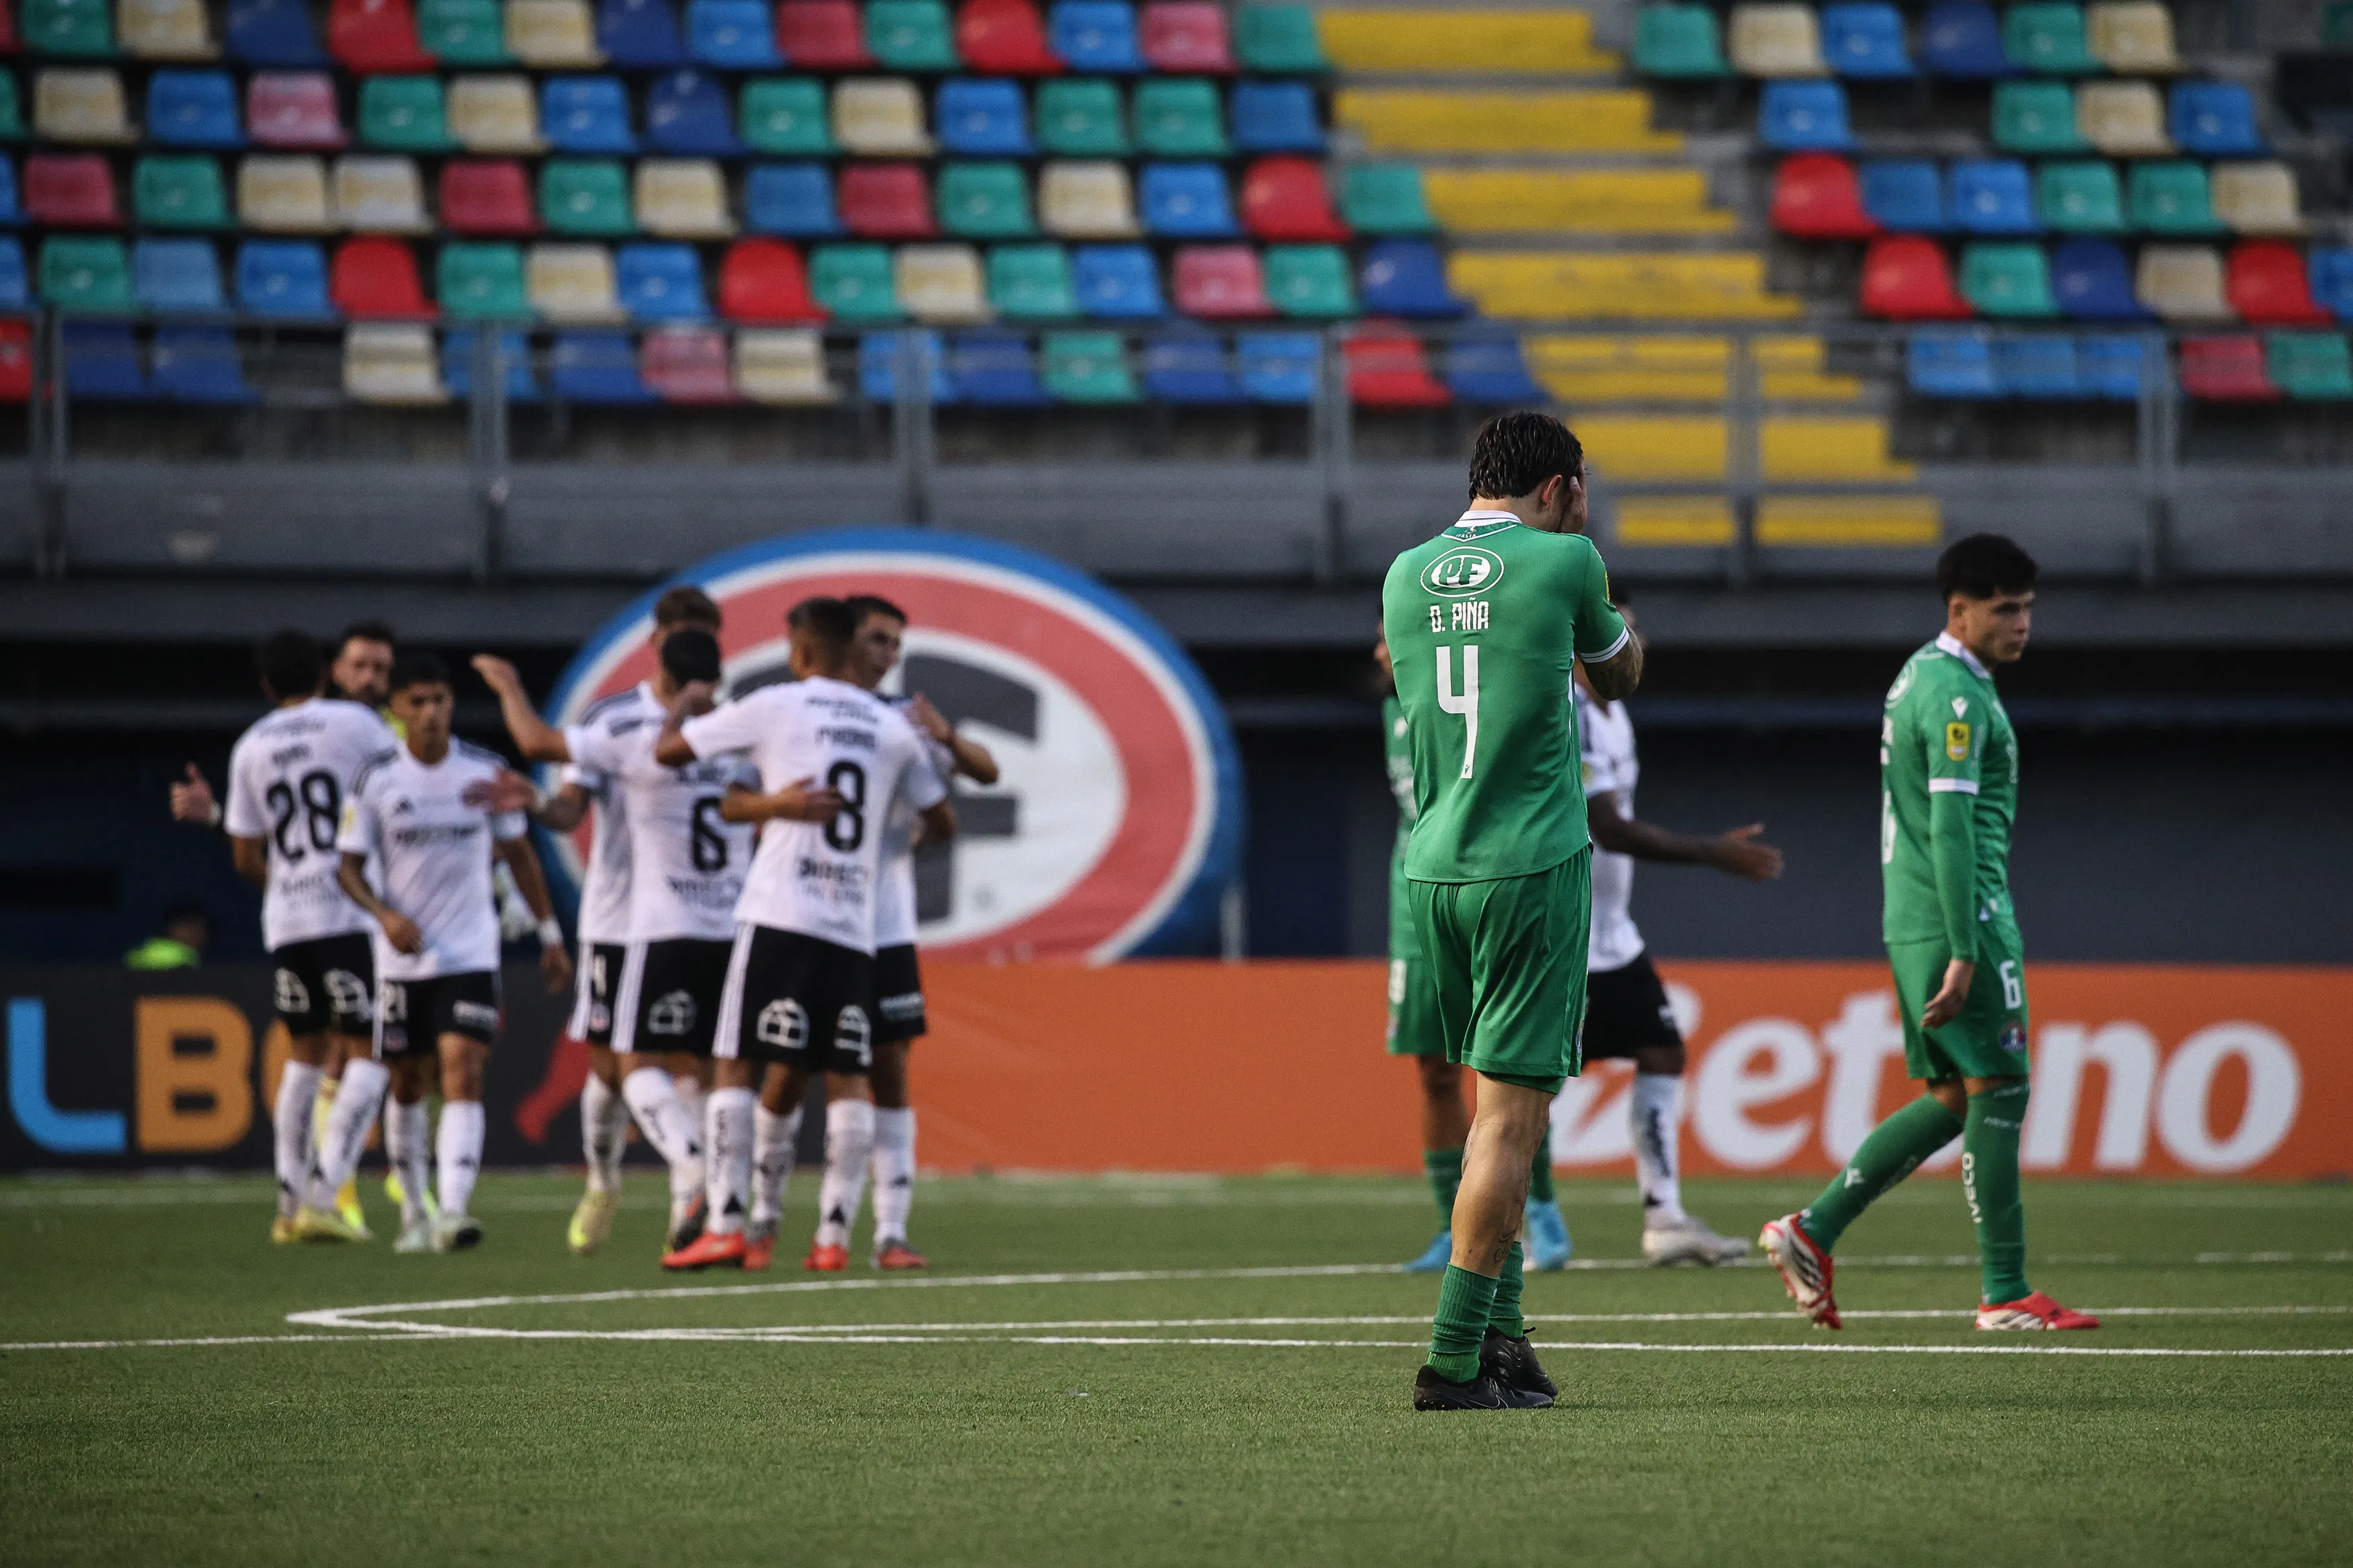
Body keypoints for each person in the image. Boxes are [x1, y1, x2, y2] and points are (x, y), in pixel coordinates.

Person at [1761, 536, 2097, 1333]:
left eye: (2025, 608)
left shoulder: (1920, 673)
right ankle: (2004, 1290)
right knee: (2002, 1085)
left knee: (1954, 1094)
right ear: (1959, 608)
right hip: (1960, 914)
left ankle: (1812, 1229)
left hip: (1912, 915)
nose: (2020, 623)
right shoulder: (1953, 695)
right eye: (2004, 609)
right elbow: (1950, 828)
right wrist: (1965, 945)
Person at [1381, 411, 1641, 1412]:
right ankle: (1452, 1363)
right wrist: (1598, 605)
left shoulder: (1405, 572)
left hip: (1433, 866)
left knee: (1491, 1111)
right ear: (1562, 488)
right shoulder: (1568, 559)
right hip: (1530, 863)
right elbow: (1615, 678)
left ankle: (1508, 1341)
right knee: (1512, 1125)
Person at [653, 597, 955, 1274]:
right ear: (856, 647)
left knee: (738, 1062)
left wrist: (691, 708)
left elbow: (670, 751)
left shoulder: (778, 704)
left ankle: (728, 1223)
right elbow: (942, 821)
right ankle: (833, 1238)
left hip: (780, 911)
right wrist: (882, 840)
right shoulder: (892, 730)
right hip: (853, 927)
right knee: (847, 1074)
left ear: (801, 649)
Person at [473, 624, 754, 1262]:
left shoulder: (633, 737)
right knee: (689, 1061)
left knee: (634, 1063)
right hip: (721, 924)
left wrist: (511, 687)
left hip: (658, 924)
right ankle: (693, 1200)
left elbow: (535, 741)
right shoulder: (740, 732)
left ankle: (695, 1176)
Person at [335, 652, 572, 1253]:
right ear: (398, 708)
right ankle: (415, 1210)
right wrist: (384, 915)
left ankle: (455, 1211)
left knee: (463, 1070)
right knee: (409, 1081)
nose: (431, 712)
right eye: (418, 701)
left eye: (440, 700)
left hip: (470, 954)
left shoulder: (485, 772)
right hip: (402, 961)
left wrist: (549, 936)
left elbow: (522, 859)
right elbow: (348, 867)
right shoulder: (376, 779)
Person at [171, 620, 402, 1233]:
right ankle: (326, 1193)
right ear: (328, 673)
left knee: (304, 1053)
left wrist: (288, 888)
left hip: (289, 918)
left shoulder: (250, 746)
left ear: (268, 684)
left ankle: (287, 1204)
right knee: (374, 1048)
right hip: (352, 910)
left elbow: (246, 854)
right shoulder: (358, 725)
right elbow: (399, 797)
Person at [1572, 604, 1780, 1266]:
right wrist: (1707, 851)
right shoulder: (1569, 712)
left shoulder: (1611, 710)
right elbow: (1606, 825)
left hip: (1611, 936)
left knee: (1660, 1049)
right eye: (1622, 633)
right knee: (1526, 1085)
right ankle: (1502, 1218)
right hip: (1563, 930)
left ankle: (1663, 1217)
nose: (1639, 644)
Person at [1375, 631, 1572, 1276]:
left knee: (1503, 1061)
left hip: (1492, 884)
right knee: (1434, 1068)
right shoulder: (1392, 710)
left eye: (1385, 638)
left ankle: (1537, 1208)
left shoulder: (1475, 693)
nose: (1380, 653)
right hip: (1415, 900)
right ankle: (1446, 1221)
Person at [838, 593, 1000, 1270]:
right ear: (840, 641)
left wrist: (947, 736)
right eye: (879, 639)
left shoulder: (904, 721)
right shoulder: (794, 711)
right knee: (797, 1074)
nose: (890, 653)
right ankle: (770, 1223)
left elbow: (986, 771)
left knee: (889, 1068)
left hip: (887, 923)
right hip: (807, 923)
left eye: (896, 641)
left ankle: (889, 1231)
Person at [124, 902, 209, 970]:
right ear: (173, 928)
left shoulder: (136, 954)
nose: (200, 935)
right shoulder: (185, 959)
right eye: (192, 928)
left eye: (203, 929)